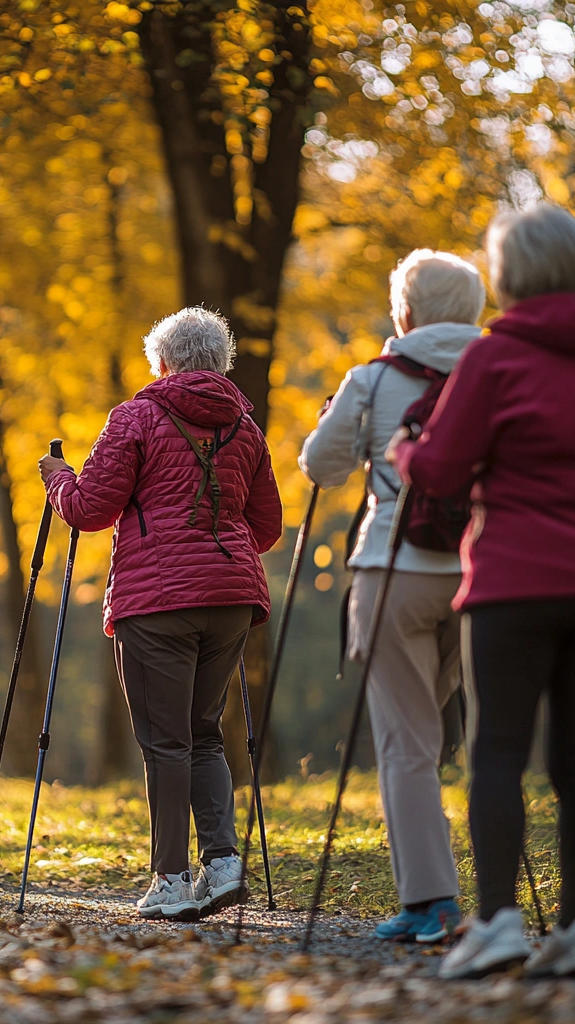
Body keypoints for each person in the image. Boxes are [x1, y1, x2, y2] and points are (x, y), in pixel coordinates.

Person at [387, 204, 575, 979]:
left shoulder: (494, 359)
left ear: (509, 275)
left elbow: (442, 469)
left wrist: (407, 451)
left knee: (498, 752)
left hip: (514, 576)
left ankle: (499, 924)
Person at [39, 307, 282, 921]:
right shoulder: (246, 427)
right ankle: (223, 865)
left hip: (157, 603)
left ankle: (171, 880)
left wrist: (57, 478)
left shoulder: (137, 416)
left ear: (164, 362)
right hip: (231, 598)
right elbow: (268, 527)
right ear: (219, 360)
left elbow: (90, 509)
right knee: (203, 734)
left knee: (165, 743)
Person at [300, 250, 486, 944]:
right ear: (474, 312)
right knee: (470, 735)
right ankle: (493, 901)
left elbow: (321, 465)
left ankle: (432, 903)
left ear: (404, 310)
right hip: (482, 572)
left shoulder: (375, 378)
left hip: (393, 566)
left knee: (407, 742)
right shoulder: (505, 375)